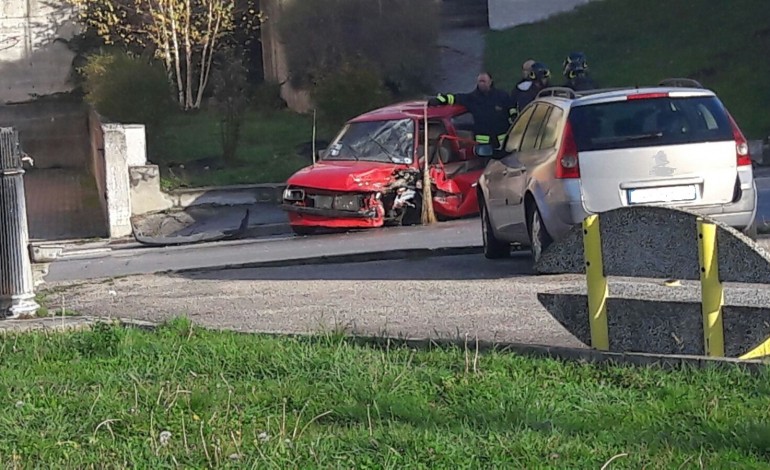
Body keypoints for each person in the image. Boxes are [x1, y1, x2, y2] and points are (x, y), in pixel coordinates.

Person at [429, 72, 516, 149]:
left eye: (484, 81)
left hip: (502, 143)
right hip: (483, 146)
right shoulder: (472, 98)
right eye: (480, 81)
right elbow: (455, 98)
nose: (481, 84)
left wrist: (514, 115)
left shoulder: (502, 96)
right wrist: (440, 100)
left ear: (490, 82)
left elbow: (511, 106)